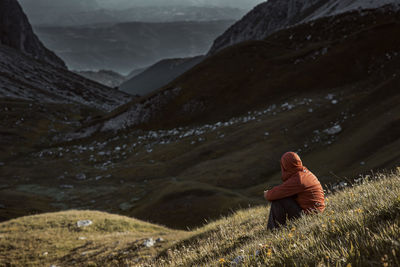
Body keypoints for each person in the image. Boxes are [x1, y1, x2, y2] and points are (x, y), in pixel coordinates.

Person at [264, 152, 325, 230]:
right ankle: (276, 228)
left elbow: (271, 195)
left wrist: (266, 193)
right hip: (316, 213)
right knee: (283, 197)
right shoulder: (305, 173)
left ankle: (273, 230)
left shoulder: (298, 179)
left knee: (278, 200)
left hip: (309, 216)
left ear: (285, 165)